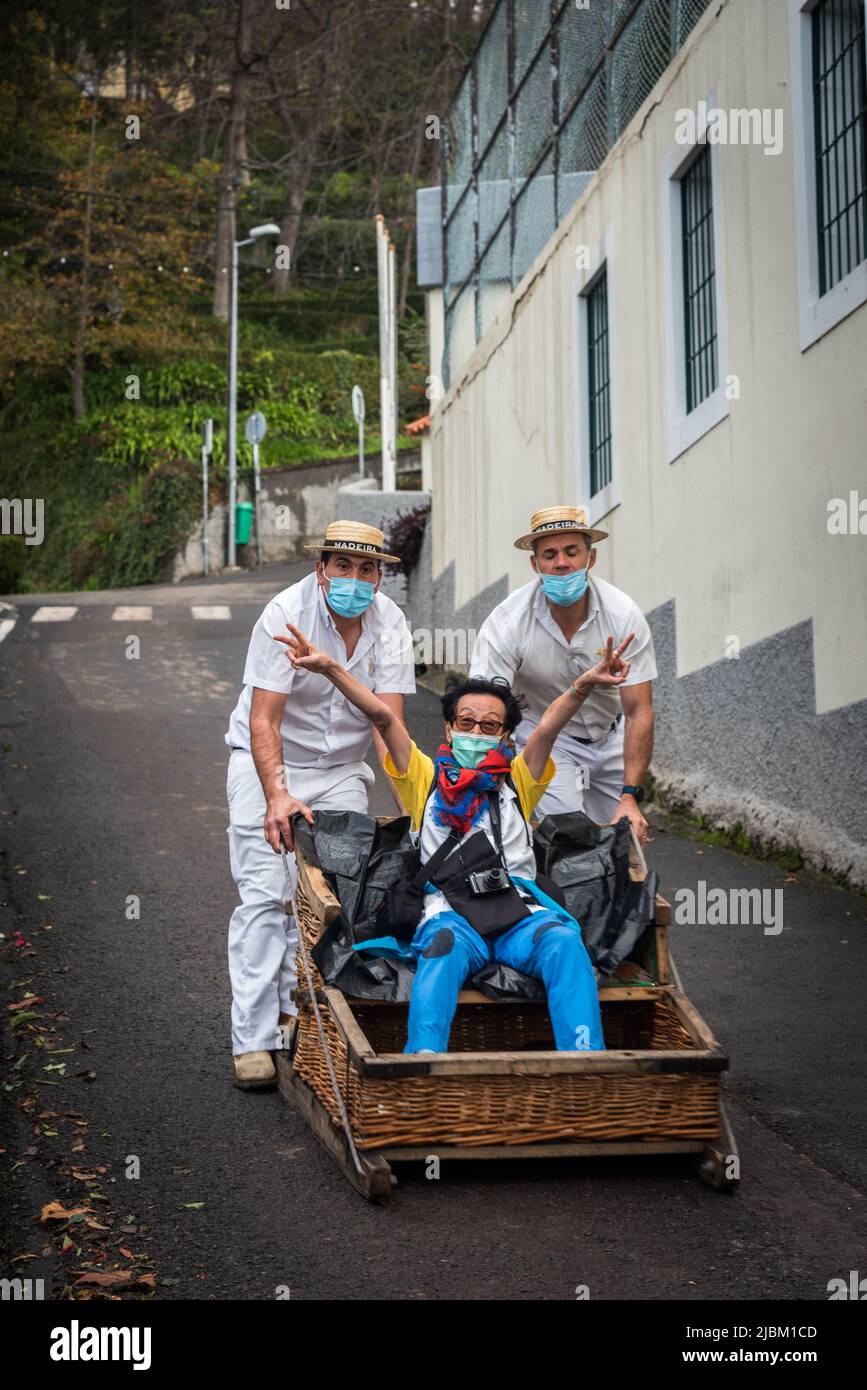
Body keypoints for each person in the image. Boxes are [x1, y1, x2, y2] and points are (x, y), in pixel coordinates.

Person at [275, 620, 635, 1054]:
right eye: (466, 723)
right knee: (441, 948)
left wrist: (584, 685)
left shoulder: (518, 781)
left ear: (506, 736)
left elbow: (546, 731)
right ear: (449, 729)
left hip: (517, 912)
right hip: (451, 915)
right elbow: (383, 716)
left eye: (489, 727)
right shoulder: (423, 779)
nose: (476, 733)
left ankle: (584, 1062)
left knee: (563, 942)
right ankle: (422, 1066)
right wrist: (331, 667)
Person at [225, 521, 416, 1089]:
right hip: (268, 761)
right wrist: (277, 793)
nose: (354, 579)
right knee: (267, 894)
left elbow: (388, 725)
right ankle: (254, 1040)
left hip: (341, 770)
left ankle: (302, 1020)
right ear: (322, 569)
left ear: (379, 577)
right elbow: (265, 719)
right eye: (343, 567)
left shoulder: (392, 624)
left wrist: (420, 799)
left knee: (336, 899)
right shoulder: (285, 613)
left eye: (367, 569)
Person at [470, 505, 656, 843]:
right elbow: (486, 704)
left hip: (611, 738)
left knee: (623, 844)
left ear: (591, 558)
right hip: (548, 741)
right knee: (571, 840)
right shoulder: (508, 621)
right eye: (549, 554)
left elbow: (638, 710)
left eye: (572, 552)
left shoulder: (624, 614)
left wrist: (630, 795)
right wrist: (490, 777)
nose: (561, 563)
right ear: (535, 563)